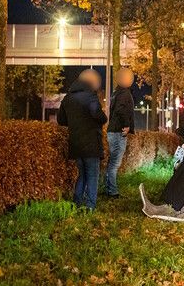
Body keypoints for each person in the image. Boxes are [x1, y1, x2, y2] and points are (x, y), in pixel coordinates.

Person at [57, 69, 108, 211]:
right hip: (91, 144)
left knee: (82, 175)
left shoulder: (68, 98)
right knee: (92, 175)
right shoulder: (90, 96)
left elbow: (61, 120)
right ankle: (90, 206)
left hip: (75, 144)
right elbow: (99, 116)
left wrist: (75, 123)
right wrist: (101, 119)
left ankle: (76, 203)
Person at [104, 68, 135, 198]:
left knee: (112, 162)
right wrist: (127, 125)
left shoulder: (116, 93)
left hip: (113, 130)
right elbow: (121, 111)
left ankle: (109, 188)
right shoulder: (125, 94)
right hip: (118, 132)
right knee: (114, 163)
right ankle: (112, 192)